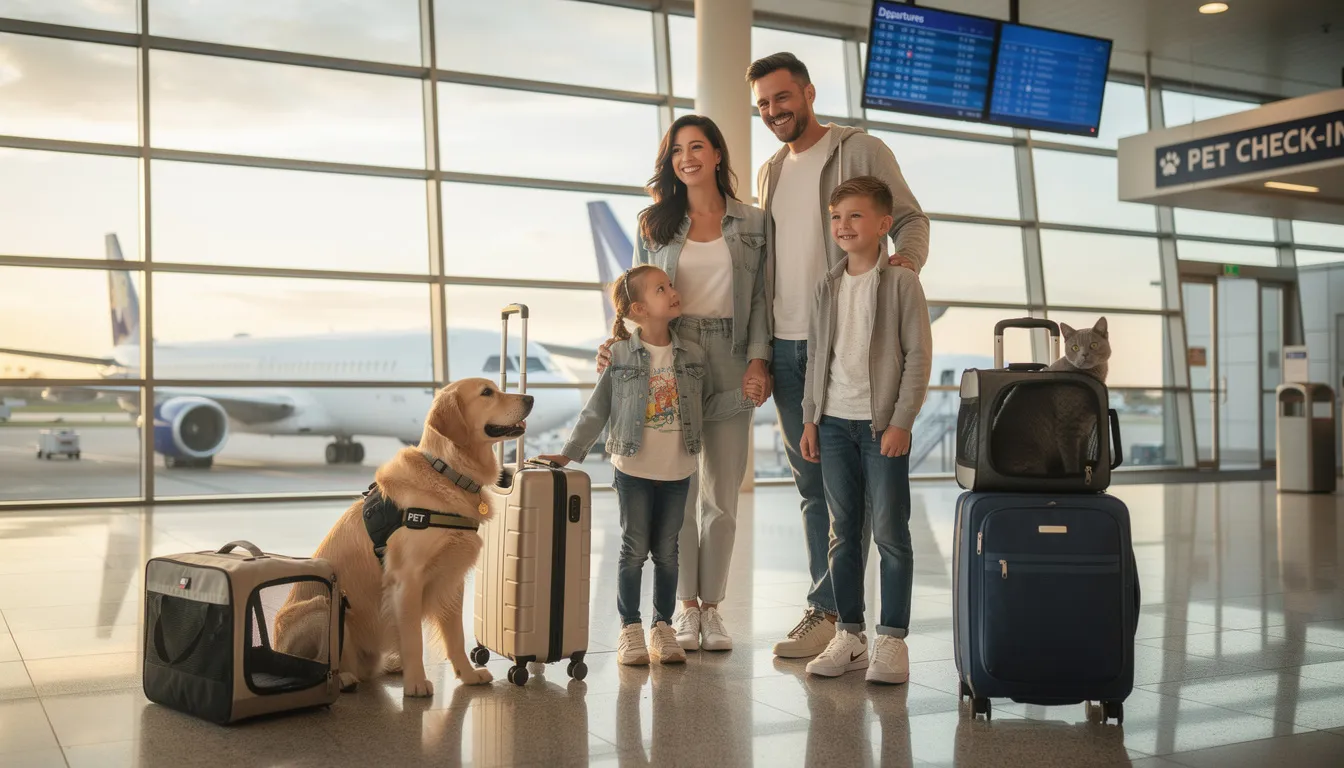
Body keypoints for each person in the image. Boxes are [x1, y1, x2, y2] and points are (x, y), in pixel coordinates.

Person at [746, 52, 931, 659]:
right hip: (786, 343)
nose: (774, 111)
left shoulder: (860, 149)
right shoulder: (770, 171)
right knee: (812, 488)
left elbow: (909, 217)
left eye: (782, 97)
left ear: (807, 92)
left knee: (871, 504)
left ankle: (869, 627)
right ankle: (829, 615)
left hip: (844, 342)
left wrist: (906, 266)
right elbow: (763, 267)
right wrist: (760, 349)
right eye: (764, 105)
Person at [595, 115, 771, 653]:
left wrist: (760, 360)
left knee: (723, 492)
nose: (687, 158)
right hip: (672, 351)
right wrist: (616, 344)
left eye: (697, 147)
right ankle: (684, 609)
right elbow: (630, 296)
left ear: (717, 153)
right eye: (676, 151)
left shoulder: (754, 222)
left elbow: (763, 296)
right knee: (681, 486)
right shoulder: (656, 225)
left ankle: (712, 607)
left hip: (734, 353)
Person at [540, 265, 759, 666]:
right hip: (633, 470)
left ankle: (663, 627)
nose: (674, 291)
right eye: (663, 288)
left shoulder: (692, 355)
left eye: (671, 284)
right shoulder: (621, 355)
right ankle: (630, 629)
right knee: (633, 550)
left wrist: (744, 398)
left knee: (668, 554)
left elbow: (706, 407)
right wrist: (569, 453)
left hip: (678, 470)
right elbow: (598, 409)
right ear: (639, 309)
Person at [797, 176, 931, 682]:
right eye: (836, 217)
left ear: (882, 224)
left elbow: (918, 358)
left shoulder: (902, 283)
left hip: (880, 430)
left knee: (891, 534)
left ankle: (892, 640)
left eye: (855, 216)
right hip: (832, 425)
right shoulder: (826, 286)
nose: (843, 226)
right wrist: (810, 419)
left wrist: (901, 422)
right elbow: (815, 360)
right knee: (841, 536)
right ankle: (849, 636)